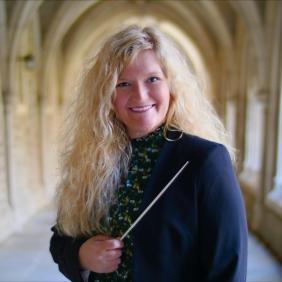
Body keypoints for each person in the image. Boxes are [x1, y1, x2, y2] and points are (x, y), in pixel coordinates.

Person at [49, 25, 248, 282]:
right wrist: (82, 255)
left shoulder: (205, 160)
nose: (140, 95)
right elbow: (61, 238)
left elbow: (228, 266)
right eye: (123, 83)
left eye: (152, 79)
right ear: (107, 95)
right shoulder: (90, 159)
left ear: (171, 86)